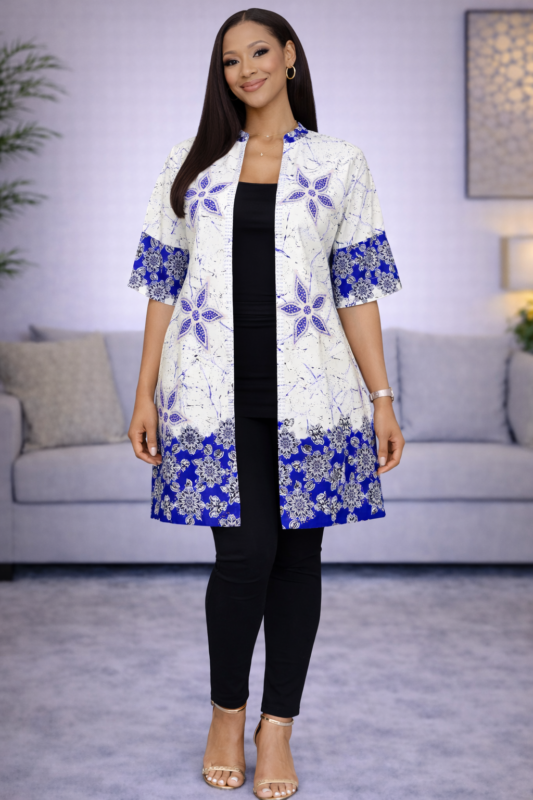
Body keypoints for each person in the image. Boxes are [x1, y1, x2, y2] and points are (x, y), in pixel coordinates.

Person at [127, 8, 404, 797]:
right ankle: (226, 713)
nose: (245, 69)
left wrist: (382, 398)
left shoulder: (339, 163)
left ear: (288, 57)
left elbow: (356, 289)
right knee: (243, 557)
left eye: (258, 52)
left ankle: (276, 727)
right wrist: (143, 392)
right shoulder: (191, 166)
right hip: (210, 393)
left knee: (297, 561)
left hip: (313, 395)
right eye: (230, 60)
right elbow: (161, 284)